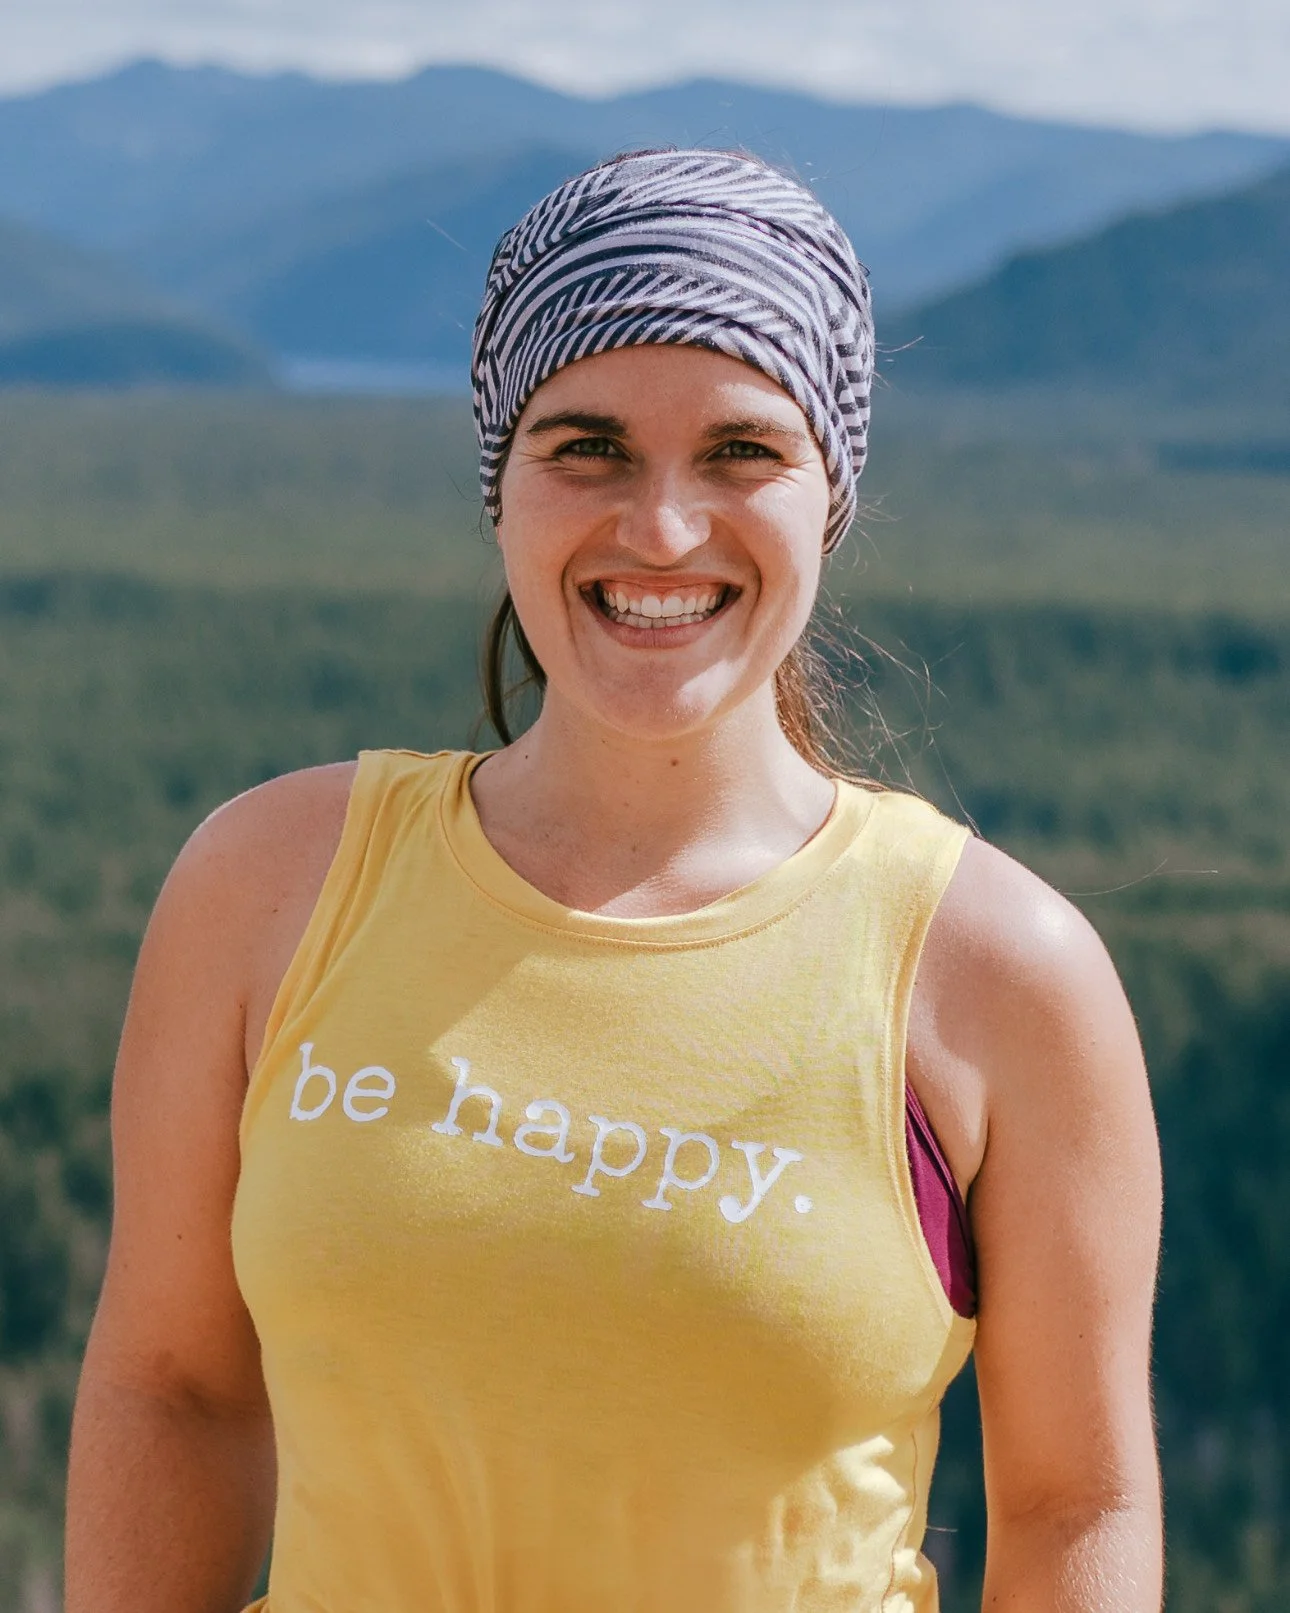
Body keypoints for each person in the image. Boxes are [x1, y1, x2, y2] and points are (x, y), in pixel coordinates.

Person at [64, 150, 1163, 1612]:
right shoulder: (271, 885)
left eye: (738, 451)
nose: (659, 530)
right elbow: (175, 1389)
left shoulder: (992, 967)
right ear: (499, 491)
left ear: (827, 488)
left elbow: (1070, 1502)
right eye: (583, 447)